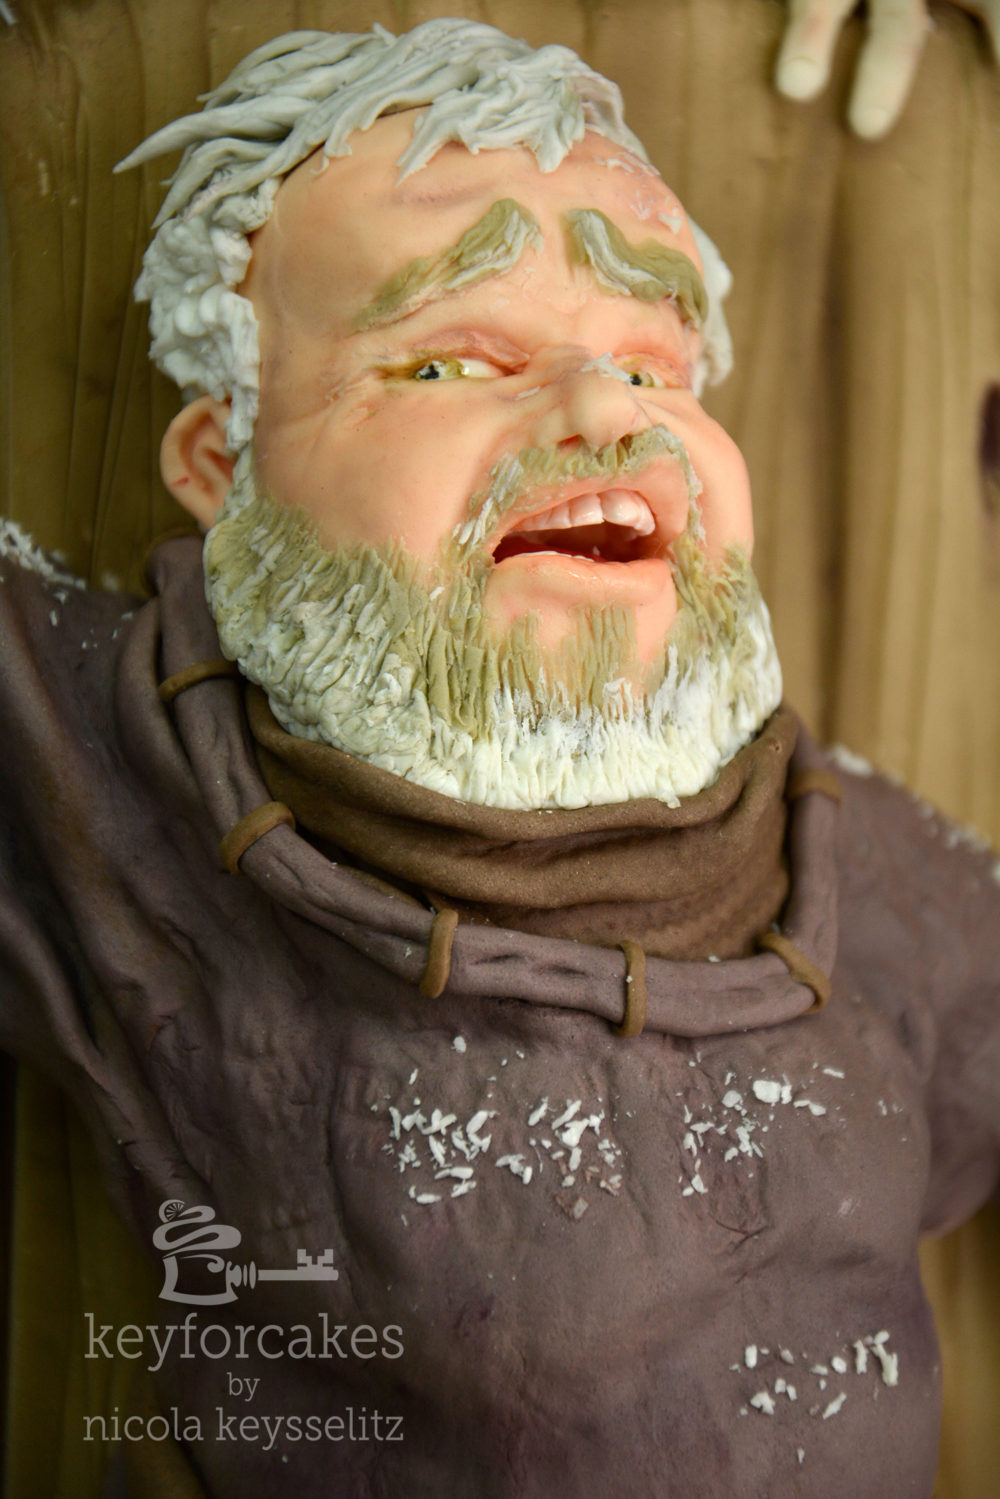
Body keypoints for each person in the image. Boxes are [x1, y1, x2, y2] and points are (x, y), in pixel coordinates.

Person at [1, 19, 997, 1499]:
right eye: (448, 357)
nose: (604, 415)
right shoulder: (132, 792)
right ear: (223, 465)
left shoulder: (863, 866)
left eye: (658, 368)